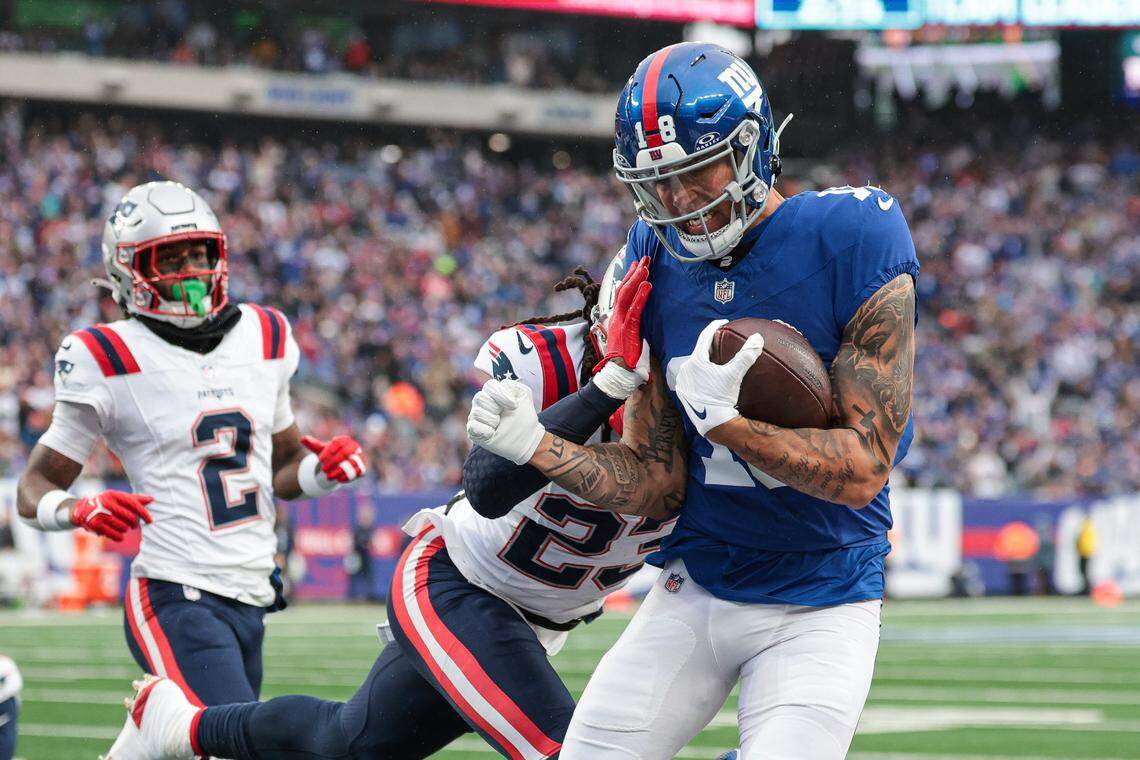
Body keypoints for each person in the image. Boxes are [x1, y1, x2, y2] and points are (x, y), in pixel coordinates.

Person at [469, 42, 918, 760]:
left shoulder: (853, 234)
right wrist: (538, 446)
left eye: (694, 171)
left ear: (752, 147)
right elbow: (658, 482)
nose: (679, 202)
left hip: (825, 598)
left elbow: (865, 467)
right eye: (658, 183)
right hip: (698, 585)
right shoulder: (652, 254)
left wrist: (731, 427)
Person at [103, 261, 679, 760]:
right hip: (460, 584)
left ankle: (177, 727)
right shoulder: (551, 364)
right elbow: (486, 487)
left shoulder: (711, 417)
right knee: (570, 751)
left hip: (539, 617)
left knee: (346, 743)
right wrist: (605, 390)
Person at [16, 181, 368, 711]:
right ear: (128, 271)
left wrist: (322, 471)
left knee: (195, 740)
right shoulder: (105, 354)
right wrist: (77, 509)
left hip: (252, 592)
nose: (191, 271)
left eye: (198, 254)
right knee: (233, 736)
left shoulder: (266, 333)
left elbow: (282, 466)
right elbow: (34, 487)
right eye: (170, 258)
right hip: (173, 590)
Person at [0, 656, 20, 760]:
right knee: (6, 736)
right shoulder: (6, 663)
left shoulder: (6, 663)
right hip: (5, 703)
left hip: (5, 701)